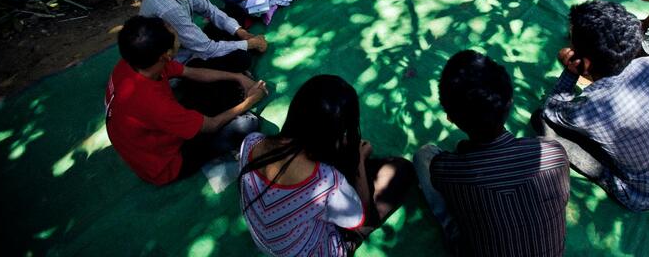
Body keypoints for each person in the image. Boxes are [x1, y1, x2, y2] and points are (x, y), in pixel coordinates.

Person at [534, 0, 649, 212]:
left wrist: (570, 70)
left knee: (541, 120)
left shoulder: (595, 107)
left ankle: (607, 176)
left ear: (585, 63)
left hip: (640, 195)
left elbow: (552, 110)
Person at [414, 50, 570, 256]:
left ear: (449, 118)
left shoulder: (448, 170)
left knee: (423, 155)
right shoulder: (554, 153)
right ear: (511, 101)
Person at [238, 75, 415, 256]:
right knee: (401, 170)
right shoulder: (326, 180)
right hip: (315, 250)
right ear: (334, 133)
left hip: (271, 243)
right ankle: (351, 242)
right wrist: (359, 159)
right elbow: (361, 219)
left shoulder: (251, 142)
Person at [104, 15, 268, 185]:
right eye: (174, 34)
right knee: (248, 124)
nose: (177, 33)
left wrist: (237, 77)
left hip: (157, 130)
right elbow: (211, 124)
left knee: (210, 76)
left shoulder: (137, 62)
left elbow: (190, 72)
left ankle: (231, 97)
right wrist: (251, 101)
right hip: (169, 164)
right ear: (166, 55)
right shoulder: (154, 104)